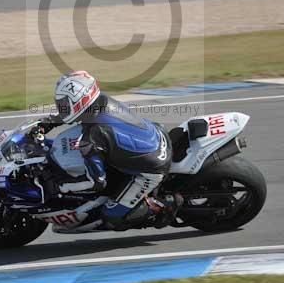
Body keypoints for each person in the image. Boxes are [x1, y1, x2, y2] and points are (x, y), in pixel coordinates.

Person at [35, 70, 178, 231]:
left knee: (111, 216)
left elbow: (97, 183)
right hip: (155, 135)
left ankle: (161, 208)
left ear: (79, 102)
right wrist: (50, 122)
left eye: (64, 104)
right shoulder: (101, 101)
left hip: (152, 167)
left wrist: (60, 186)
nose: (61, 107)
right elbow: (75, 113)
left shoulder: (91, 138)